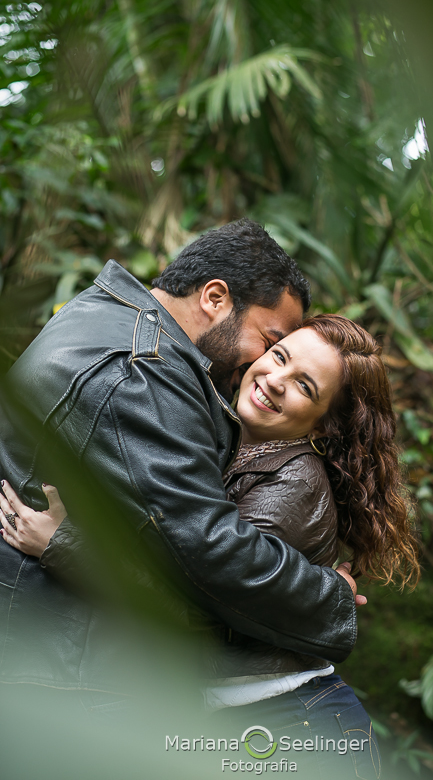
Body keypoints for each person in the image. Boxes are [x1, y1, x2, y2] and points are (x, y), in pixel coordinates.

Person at [1, 314, 420, 779]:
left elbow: (194, 604)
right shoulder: (223, 439)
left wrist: (65, 546)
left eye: (305, 386)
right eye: (279, 356)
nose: (275, 380)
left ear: (323, 427)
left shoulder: (295, 481)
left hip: (295, 721)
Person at [0, 219, 359, 693]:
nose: (259, 366)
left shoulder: (104, 312)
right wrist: (330, 599)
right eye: (271, 345)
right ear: (214, 298)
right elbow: (209, 549)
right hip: (48, 664)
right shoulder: (143, 370)